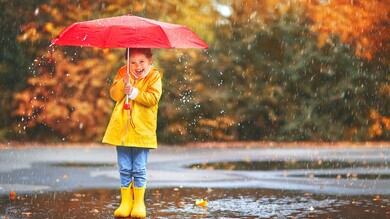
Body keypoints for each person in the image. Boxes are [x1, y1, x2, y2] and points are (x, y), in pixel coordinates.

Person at [102, 48, 162, 218]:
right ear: (127, 62)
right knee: (125, 167)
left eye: (141, 61)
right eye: (132, 62)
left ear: (150, 60)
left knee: (139, 168)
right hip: (123, 128)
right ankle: (126, 202)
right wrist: (123, 83)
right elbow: (114, 95)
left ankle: (139, 202)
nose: (137, 66)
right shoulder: (123, 72)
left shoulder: (154, 76)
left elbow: (153, 99)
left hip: (142, 129)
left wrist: (134, 92)